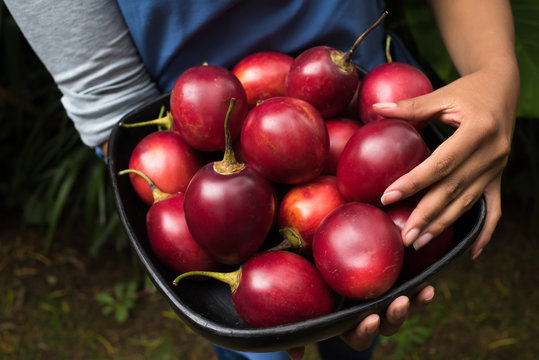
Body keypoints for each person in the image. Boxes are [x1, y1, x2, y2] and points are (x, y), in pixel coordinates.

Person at [4, 0, 519, 359]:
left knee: (356, 312)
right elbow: (107, 95)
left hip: (372, 106)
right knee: (256, 330)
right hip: (195, 145)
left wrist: (496, 76)